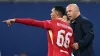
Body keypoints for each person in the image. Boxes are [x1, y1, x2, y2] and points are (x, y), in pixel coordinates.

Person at [3, 6, 74, 56]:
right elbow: (71, 47)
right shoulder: (70, 29)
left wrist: (15, 20)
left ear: (57, 14)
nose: (50, 14)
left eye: (52, 12)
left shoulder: (52, 23)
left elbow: (33, 22)